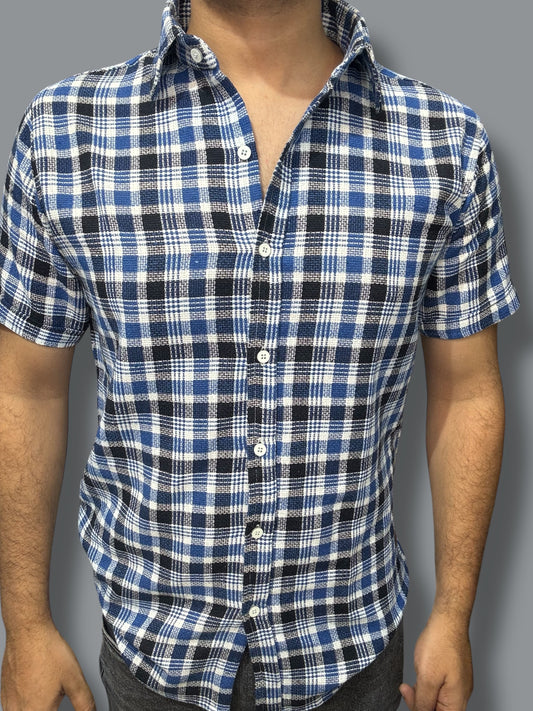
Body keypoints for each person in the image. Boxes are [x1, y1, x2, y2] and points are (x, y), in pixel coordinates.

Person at [0, 0, 521, 709]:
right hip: (150, 650)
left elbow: (468, 390)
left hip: (352, 653)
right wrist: (26, 624)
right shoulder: (65, 133)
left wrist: (455, 613)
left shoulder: (444, 143)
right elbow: (26, 389)